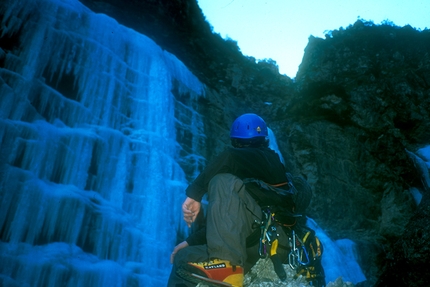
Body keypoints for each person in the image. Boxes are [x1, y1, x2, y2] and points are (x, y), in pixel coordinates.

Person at [167, 113, 290, 287]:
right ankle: (226, 266)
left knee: (222, 181)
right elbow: (227, 224)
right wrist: (189, 242)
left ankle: (227, 268)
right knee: (183, 258)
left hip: (271, 242)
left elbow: (231, 157)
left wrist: (194, 194)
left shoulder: (270, 160)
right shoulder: (242, 178)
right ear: (264, 139)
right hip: (246, 247)